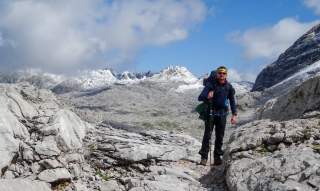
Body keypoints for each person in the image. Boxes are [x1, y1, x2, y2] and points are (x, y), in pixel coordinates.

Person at [198, 66, 237, 166]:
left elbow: (232, 101)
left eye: (224, 73)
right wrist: (208, 96)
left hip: (222, 114)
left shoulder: (229, 87)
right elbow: (200, 97)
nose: (222, 75)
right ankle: (204, 157)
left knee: (220, 136)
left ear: (226, 75)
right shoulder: (211, 85)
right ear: (217, 74)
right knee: (207, 135)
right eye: (220, 73)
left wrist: (234, 114)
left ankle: (217, 157)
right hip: (210, 113)